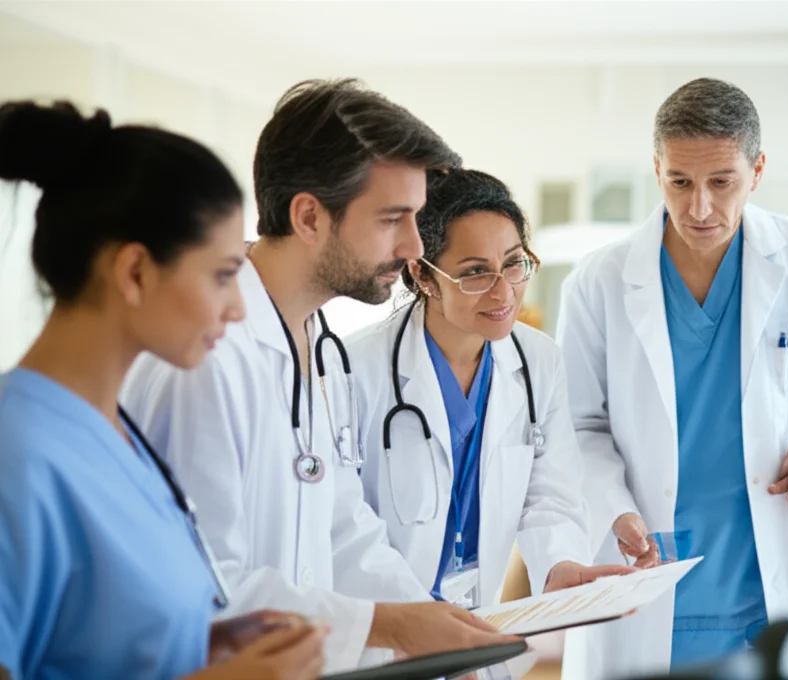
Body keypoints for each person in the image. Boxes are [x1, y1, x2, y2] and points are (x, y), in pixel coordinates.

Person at [120, 79, 520, 673]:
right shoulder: (204, 359)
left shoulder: (320, 349)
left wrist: (437, 625)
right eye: (394, 218)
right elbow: (199, 583)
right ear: (309, 216)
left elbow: (341, 523)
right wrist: (390, 624)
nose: (414, 246)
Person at [557, 77, 788, 680]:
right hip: (648, 582)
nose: (699, 208)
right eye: (679, 182)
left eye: (721, 182)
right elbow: (578, 424)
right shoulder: (598, 282)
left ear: (757, 171)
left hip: (773, 583)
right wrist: (613, 507)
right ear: (655, 169)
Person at [0, 101, 327, 680]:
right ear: (134, 273)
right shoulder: (16, 452)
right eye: (224, 274)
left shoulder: (116, 436)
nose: (236, 307)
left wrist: (201, 645)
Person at [345, 169, 632, 610]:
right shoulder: (354, 370)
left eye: (514, 263)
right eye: (476, 272)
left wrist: (559, 564)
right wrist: (424, 624)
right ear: (422, 274)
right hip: (383, 624)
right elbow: (346, 524)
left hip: (483, 623)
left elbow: (551, 493)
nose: (504, 293)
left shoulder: (539, 362)